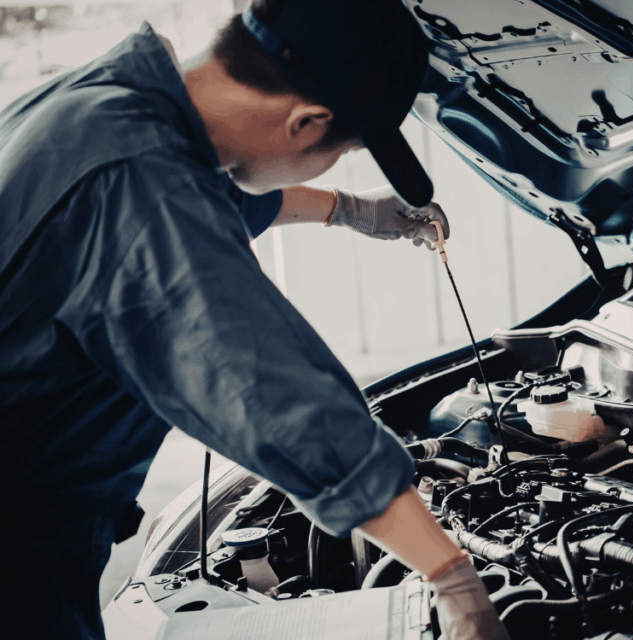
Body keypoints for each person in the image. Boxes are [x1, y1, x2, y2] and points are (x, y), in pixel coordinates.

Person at [0, 1, 510, 639]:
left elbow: (200, 193)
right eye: (345, 152)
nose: (334, 167)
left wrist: (349, 209)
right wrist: (452, 579)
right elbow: (270, 393)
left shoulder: (109, 100)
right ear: (306, 122)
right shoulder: (139, 184)